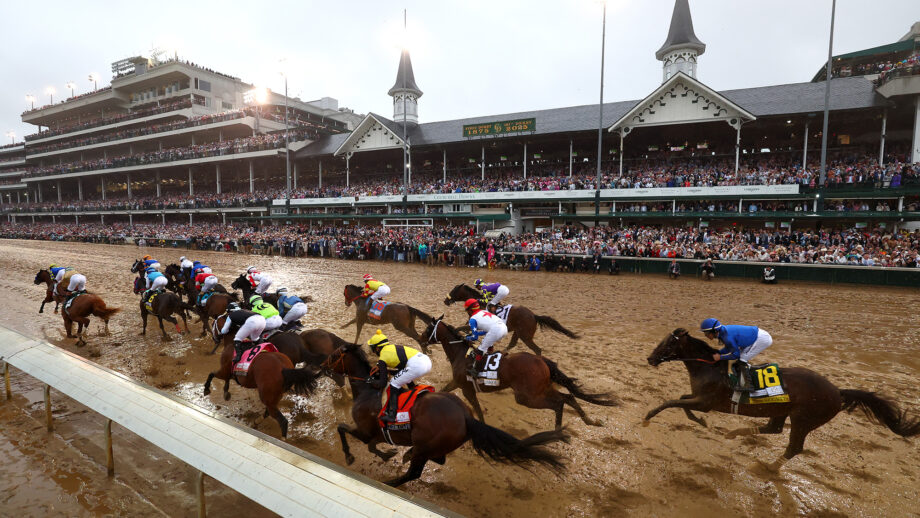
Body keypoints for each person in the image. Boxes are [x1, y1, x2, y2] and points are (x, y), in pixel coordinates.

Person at [365, 330, 432, 423]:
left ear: (376, 348)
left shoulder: (383, 357)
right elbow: (400, 371)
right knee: (404, 377)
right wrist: (387, 370)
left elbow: (382, 383)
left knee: (393, 383)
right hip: (426, 361)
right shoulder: (392, 347)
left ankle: (392, 415)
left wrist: (370, 381)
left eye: (372, 347)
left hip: (417, 365)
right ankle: (413, 393)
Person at [701, 318, 773, 390]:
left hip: (762, 339)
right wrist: (719, 352)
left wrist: (720, 357)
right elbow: (729, 348)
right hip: (756, 336)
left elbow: (735, 355)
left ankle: (748, 385)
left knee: (742, 359)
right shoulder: (723, 332)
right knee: (739, 361)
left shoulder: (727, 337)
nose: (705, 335)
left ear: (714, 331)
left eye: (706, 333)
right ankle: (747, 375)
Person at [463, 299, 508, 377]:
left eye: (467, 310)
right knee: (486, 340)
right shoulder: (484, 311)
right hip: (504, 328)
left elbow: (474, 337)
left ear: (470, 310)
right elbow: (485, 332)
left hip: (496, 330)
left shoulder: (472, 319)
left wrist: (467, 338)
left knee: (481, 349)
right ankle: (489, 354)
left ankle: (475, 370)